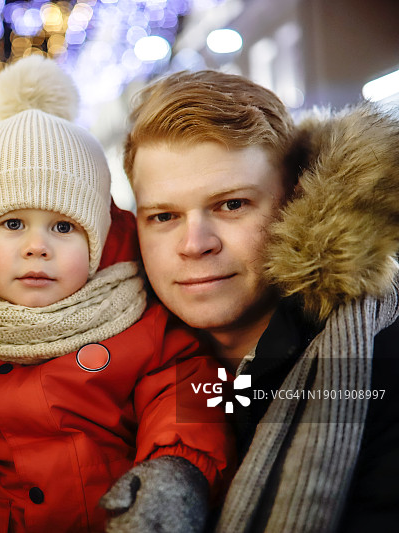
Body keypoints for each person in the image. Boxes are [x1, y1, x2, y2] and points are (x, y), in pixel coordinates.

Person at [0, 56, 235, 533]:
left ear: (98, 241)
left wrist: (176, 469)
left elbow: (188, 393)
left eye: (64, 227)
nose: (37, 246)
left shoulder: (137, 322)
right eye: (12, 223)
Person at [122, 69, 399, 532]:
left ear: (297, 202)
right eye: (164, 216)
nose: (195, 244)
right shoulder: (110, 370)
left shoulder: (383, 362)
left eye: (232, 204)